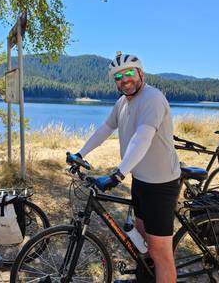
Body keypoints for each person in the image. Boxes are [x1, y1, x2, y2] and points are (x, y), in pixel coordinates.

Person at [74, 52, 180, 283]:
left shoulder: (153, 98)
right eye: (118, 77)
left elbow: (142, 138)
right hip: (141, 180)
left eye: (129, 73)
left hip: (161, 184)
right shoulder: (122, 102)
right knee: (142, 241)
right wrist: (80, 154)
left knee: (161, 253)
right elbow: (105, 128)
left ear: (140, 73)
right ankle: (145, 278)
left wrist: (118, 173)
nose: (124, 80)